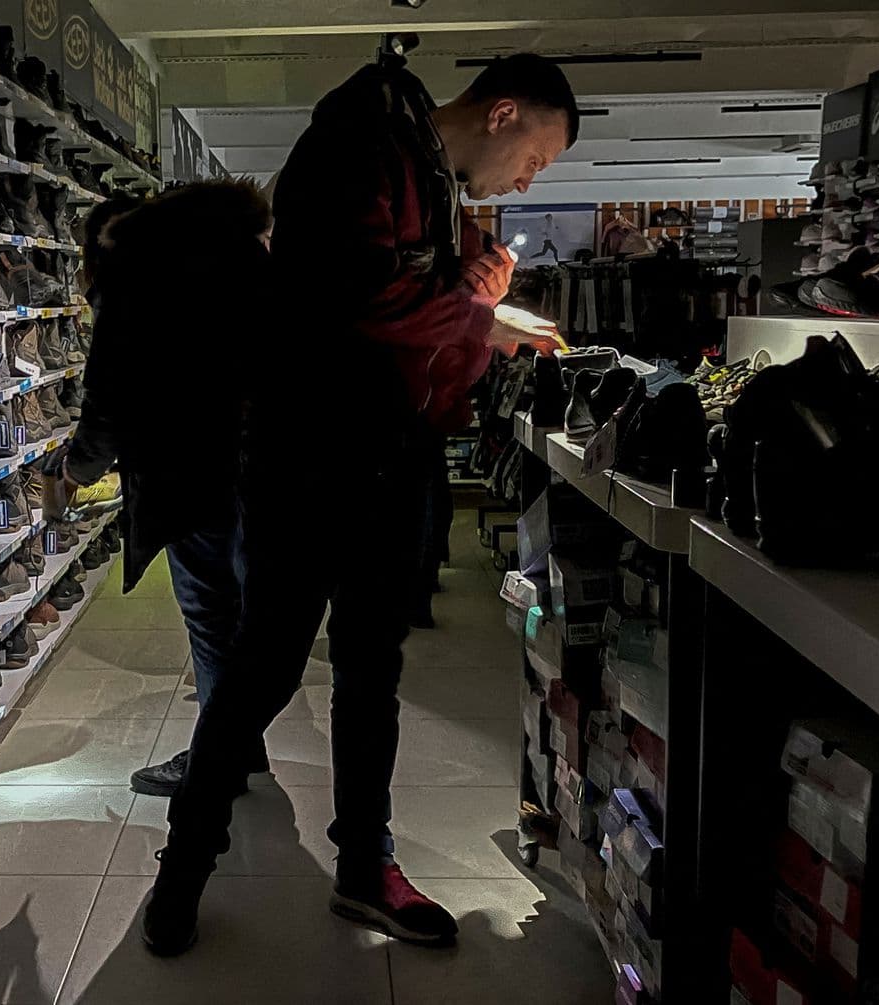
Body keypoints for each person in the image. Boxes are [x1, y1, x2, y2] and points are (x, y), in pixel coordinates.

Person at [143, 52, 574, 955]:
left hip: (385, 454)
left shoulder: (424, 173)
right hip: (309, 454)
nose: (528, 181)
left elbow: (416, 322)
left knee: (369, 671)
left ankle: (363, 868)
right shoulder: (358, 143)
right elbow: (368, 299)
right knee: (265, 666)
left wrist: (478, 309)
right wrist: (479, 308)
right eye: (535, 157)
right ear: (502, 113)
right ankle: (184, 866)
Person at [59, 180, 278, 797]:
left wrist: (75, 472)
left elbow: (109, 396)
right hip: (263, 470)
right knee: (247, 617)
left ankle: (218, 760)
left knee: (212, 619)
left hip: (188, 476)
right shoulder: (246, 261)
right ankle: (239, 745)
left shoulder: (136, 277)